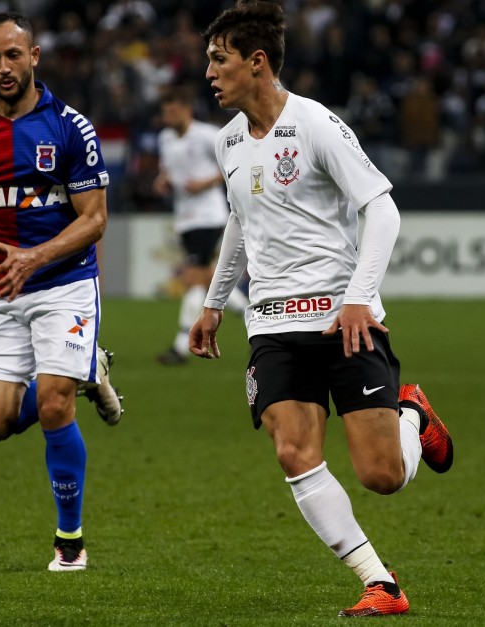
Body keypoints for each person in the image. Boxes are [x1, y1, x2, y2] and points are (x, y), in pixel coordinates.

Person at [190, 2, 454, 617]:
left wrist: (360, 295)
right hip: (273, 325)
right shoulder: (230, 140)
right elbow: (239, 221)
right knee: (292, 450)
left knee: (382, 476)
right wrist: (212, 301)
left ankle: (411, 413)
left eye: (219, 59)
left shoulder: (317, 125)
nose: (209, 72)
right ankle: (380, 582)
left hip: (340, 319)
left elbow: (382, 208)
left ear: (257, 63)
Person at [0, 12, 123, 572]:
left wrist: (34, 258)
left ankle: (70, 542)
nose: (5, 67)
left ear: (35, 56)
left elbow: (95, 219)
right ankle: (90, 369)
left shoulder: (69, 126)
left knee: (55, 403)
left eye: (15, 55)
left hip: (65, 284)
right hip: (0, 295)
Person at [152, 86, 249, 365]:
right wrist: (163, 180)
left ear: (187, 110)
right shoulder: (165, 138)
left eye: (174, 110)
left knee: (193, 279)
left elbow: (233, 164)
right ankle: (251, 317)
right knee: (207, 282)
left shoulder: (208, 135)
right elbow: (168, 168)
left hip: (209, 216)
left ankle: (180, 347)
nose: (169, 116)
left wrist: (205, 183)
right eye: (166, 111)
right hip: (184, 219)